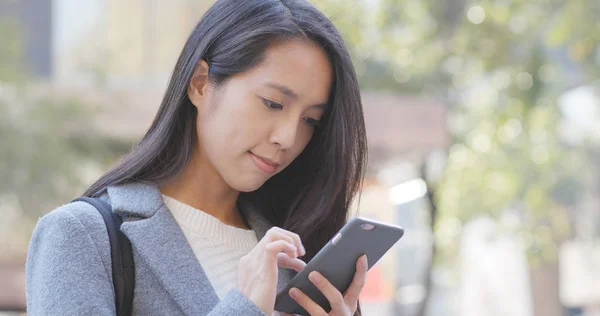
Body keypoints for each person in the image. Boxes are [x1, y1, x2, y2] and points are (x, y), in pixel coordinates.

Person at [25, 0, 368, 315]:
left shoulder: (294, 252)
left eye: (311, 120)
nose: (288, 138)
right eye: (272, 103)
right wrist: (243, 308)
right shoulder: (81, 236)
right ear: (201, 83)